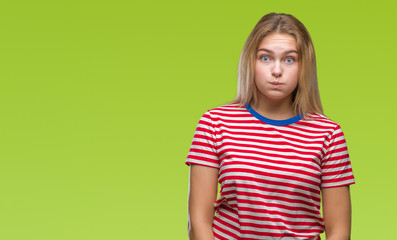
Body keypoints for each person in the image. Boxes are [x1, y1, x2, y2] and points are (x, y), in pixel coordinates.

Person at [185, 12, 355, 240]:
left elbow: (339, 231)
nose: (276, 71)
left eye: (289, 59)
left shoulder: (328, 134)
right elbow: (198, 222)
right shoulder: (215, 123)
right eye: (265, 58)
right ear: (250, 62)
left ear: (304, 66)